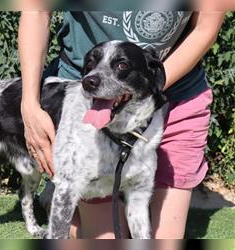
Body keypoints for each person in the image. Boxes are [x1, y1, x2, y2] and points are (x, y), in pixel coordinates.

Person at [18, 8, 225, 239]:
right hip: (86, 99)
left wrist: (150, 88)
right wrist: (29, 104)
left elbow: (206, 27)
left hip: (176, 94)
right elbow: (36, 10)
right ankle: (65, 195)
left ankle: (65, 196)